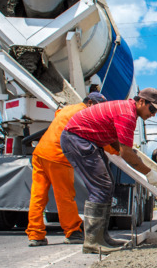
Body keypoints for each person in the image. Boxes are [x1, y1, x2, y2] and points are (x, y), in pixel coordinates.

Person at [60, 87, 157, 254]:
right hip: (78, 139)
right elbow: (125, 153)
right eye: (152, 109)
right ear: (140, 101)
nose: (153, 114)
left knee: (107, 186)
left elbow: (120, 144)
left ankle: (102, 238)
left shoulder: (127, 110)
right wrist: (149, 173)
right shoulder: (128, 114)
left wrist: (130, 155)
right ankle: (93, 241)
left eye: (156, 111)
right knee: (101, 186)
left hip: (88, 141)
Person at [26, 92, 107, 247]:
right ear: (89, 103)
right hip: (58, 157)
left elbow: (57, 114)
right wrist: (117, 151)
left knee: (38, 196)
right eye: (98, 107)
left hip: (41, 153)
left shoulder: (67, 109)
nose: (99, 111)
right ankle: (72, 231)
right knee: (65, 196)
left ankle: (35, 234)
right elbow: (101, 139)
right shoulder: (86, 115)